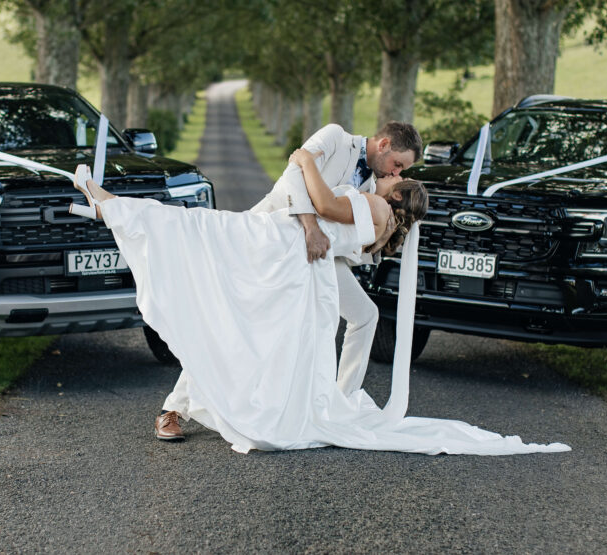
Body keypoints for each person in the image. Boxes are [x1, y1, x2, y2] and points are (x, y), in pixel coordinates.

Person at [71, 161, 570, 456]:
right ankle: (103, 203)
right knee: (198, 241)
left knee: (195, 232)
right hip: (294, 259)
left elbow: (327, 209)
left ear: (396, 195)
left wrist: (303, 159)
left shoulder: (375, 208)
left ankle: (102, 202)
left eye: (395, 178)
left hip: (280, 245)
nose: (387, 178)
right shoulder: (384, 228)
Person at [156, 121, 423, 441]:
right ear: (383, 145)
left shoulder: (373, 185)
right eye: (397, 165)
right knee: (236, 324)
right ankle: (173, 409)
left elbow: (348, 231)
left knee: (366, 315)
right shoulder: (335, 138)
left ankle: (340, 405)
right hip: (273, 236)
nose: (396, 174)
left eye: (402, 171)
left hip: (319, 258)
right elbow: (294, 174)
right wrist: (310, 226)